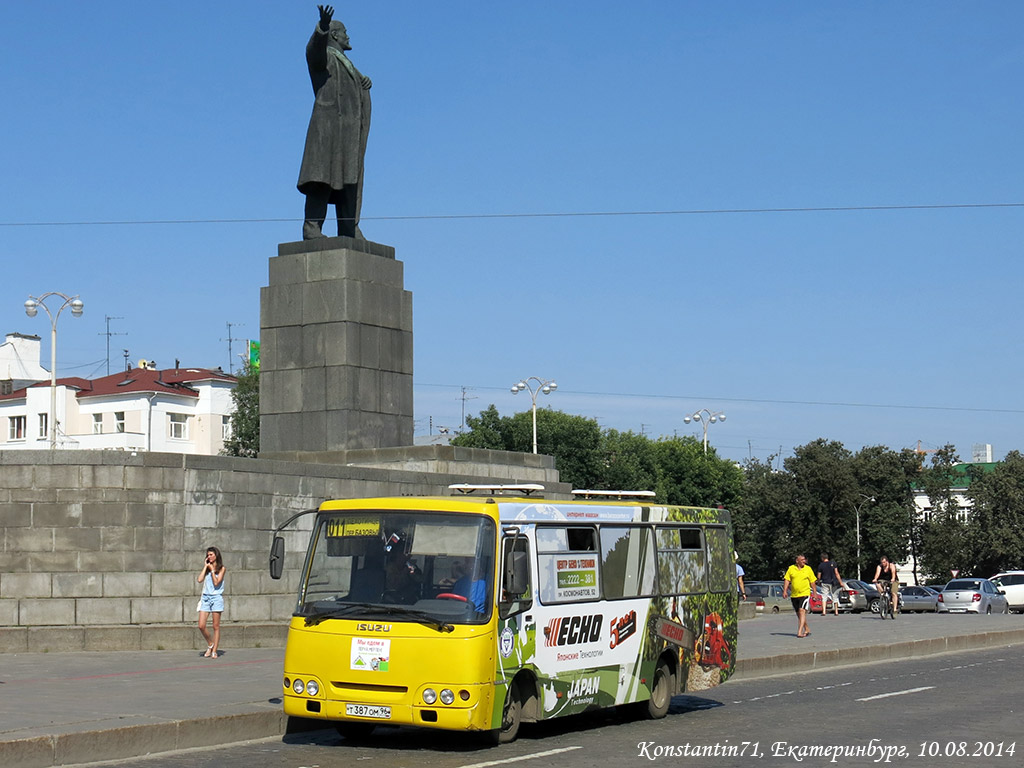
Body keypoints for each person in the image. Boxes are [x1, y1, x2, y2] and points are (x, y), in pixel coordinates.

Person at [298, 4, 373, 240]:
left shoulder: (348, 63)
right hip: (328, 129)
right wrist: (321, 27)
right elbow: (313, 53)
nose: (348, 36)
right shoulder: (326, 56)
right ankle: (312, 227)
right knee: (322, 178)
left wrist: (362, 83)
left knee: (349, 181)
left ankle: (350, 228)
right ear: (334, 35)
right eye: (345, 32)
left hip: (348, 132)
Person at [197, 546, 226, 658]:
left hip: (216, 597)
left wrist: (213, 571)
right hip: (206, 597)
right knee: (201, 625)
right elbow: (199, 580)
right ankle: (210, 643)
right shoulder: (207, 568)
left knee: (216, 626)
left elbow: (216, 583)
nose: (209, 557)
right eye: (208, 555)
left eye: (211, 555)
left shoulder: (222, 568)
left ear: (216, 555)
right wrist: (206, 567)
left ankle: (214, 650)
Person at [782, 553, 816, 638]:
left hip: (805, 593)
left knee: (802, 611)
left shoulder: (808, 569)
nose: (804, 561)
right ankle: (807, 628)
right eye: (802, 560)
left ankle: (799, 632)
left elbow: (812, 582)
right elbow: (787, 580)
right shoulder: (791, 568)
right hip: (794, 595)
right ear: (797, 561)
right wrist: (785, 591)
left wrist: (814, 593)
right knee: (799, 614)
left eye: (804, 560)